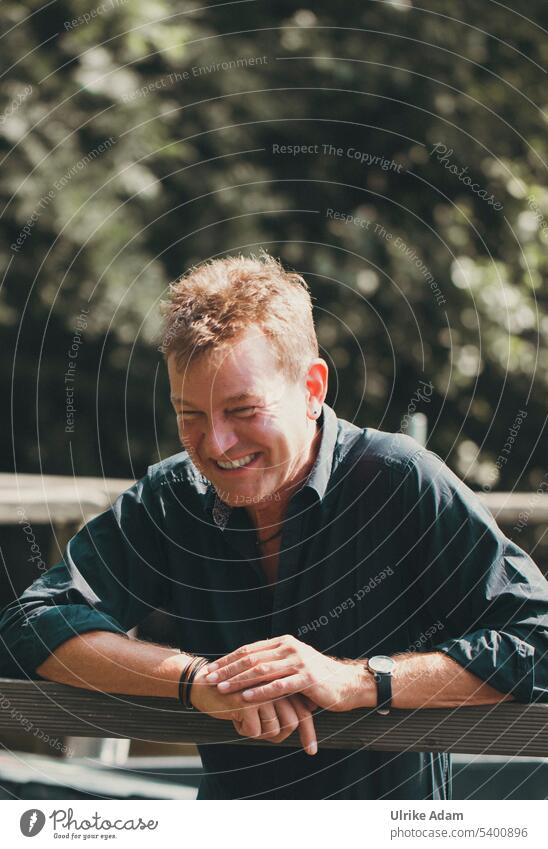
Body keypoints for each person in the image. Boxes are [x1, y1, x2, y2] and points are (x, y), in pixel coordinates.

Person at [1, 252, 547, 800]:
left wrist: (358, 681)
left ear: (312, 388)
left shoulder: (401, 479)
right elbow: (30, 624)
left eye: (242, 410)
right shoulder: (173, 497)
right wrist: (201, 682)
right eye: (190, 414)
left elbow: (537, 638)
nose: (215, 445)